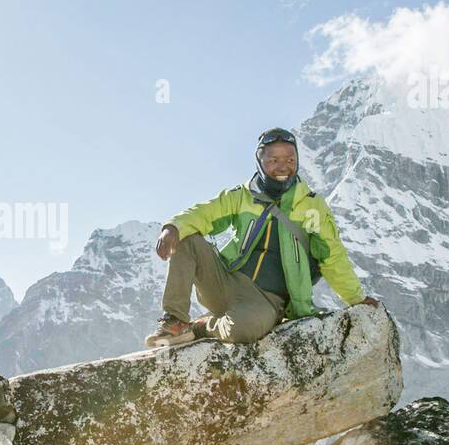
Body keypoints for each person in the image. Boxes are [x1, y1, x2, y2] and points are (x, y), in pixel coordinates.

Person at [145, 127, 379, 348]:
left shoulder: (312, 206)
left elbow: (332, 256)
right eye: (273, 160)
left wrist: (356, 298)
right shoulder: (241, 196)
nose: (283, 167)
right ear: (259, 161)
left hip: (266, 301)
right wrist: (173, 227)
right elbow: (204, 214)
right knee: (187, 239)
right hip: (225, 283)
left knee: (242, 331)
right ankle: (175, 321)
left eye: (290, 160)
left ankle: (202, 327)